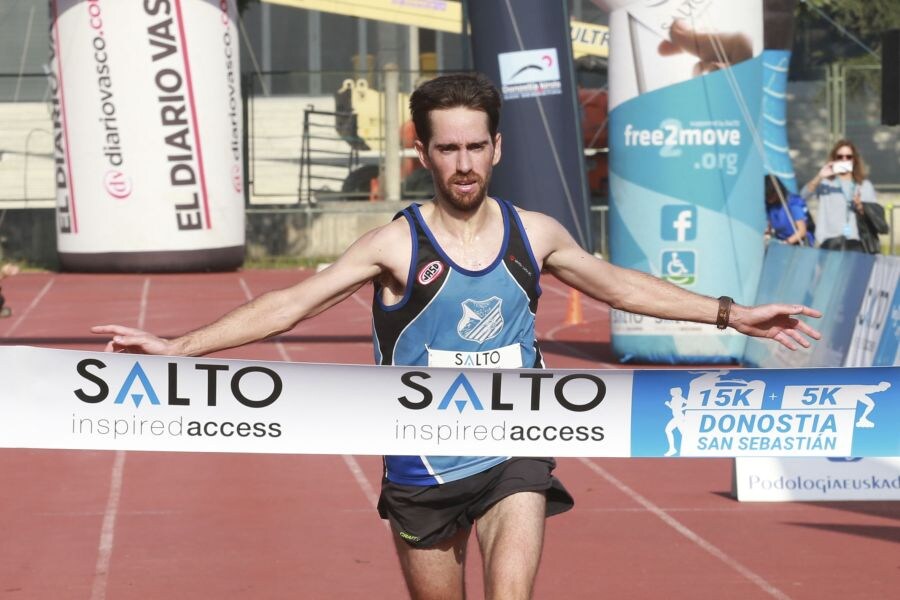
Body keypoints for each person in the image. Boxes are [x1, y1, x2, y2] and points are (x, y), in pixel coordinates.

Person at [93, 73, 822, 600]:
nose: (464, 163)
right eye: (449, 149)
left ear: (497, 147)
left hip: (514, 451)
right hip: (423, 469)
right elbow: (290, 304)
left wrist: (733, 313)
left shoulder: (533, 234)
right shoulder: (393, 246)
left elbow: (617, 283)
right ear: (425, 155)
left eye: (476, 146)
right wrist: (176, 347)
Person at [802, 139, 880, 252]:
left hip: (856, 242)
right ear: (834, 158)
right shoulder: (825, 183)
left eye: (848, 157)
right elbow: (803, 196)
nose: (844, 159)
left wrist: (860, 207)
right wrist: (820, 176)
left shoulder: (864, 185)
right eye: (840, 156)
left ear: (854, 159)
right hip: (828, 241)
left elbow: (874, 216)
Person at [764, 175, 814, 246]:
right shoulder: (770, 205)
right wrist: (767, 233)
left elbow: (802, 231)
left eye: (770, 195)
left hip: (798, 243)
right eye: (766, 197)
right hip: (781, 241)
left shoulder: (793, 203)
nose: (769, 199)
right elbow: (770, 224)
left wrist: (786, 243)